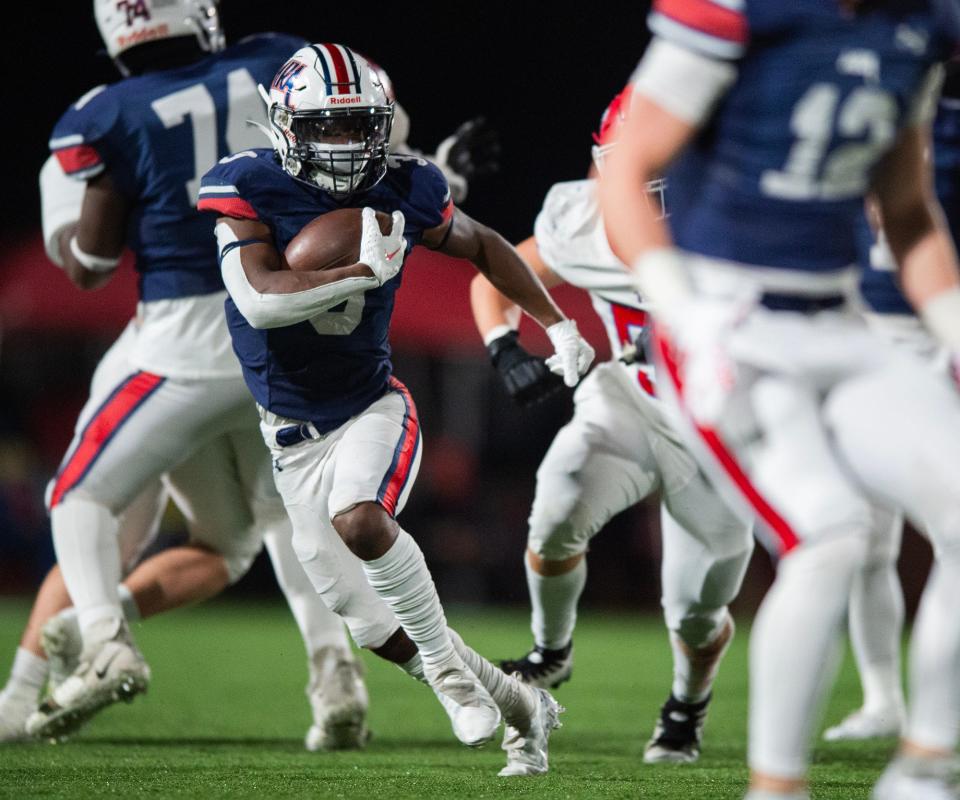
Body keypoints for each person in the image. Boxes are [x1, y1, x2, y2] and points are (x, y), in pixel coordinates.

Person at [198, 42, 592, 773]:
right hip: (287, 437)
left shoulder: (405, 185)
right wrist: (359, 270)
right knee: (370, 624)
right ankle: (522, 706)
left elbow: (485, 245)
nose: (345, 144)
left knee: (361, 517)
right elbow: (258, 300)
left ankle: (451, 684)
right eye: (326, 127)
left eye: (358, 126)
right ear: (286, 125)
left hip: (371, 407)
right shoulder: (245, 186)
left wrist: (558, 324)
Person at [599, 2, 960, 798]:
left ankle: (927, 769)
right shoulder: (738, 11)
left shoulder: (924, 24)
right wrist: (687, 317)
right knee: (829, 534)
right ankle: (777, 786)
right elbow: (623, 173)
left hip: (839, 317)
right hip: (730, 318)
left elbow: (905, 211)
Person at [18, 0, 376, 748]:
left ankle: (102, 637)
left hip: (181, 338)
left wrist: (110, 193)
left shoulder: (107, 114)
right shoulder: (274, 57)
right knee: (280, 520)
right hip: (281, 327)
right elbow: (370, 153)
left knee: (80, 496)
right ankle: (334, 674)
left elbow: (89, 265)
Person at [470, 88, 753, 764]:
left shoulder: (754, 228)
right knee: (558, 499)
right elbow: (497, 272)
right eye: (620, 168)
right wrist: (504, 346)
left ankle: (686, 704)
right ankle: (550, 650)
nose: (624, 189)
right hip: (630, 396)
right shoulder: (585, 218)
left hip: (721, 429)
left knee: (694, 609)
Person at [825, 63, 960, 743]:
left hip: (945, 328)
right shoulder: (870, 89)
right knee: (863, 534)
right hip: (868, 335)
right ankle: (885, 700)